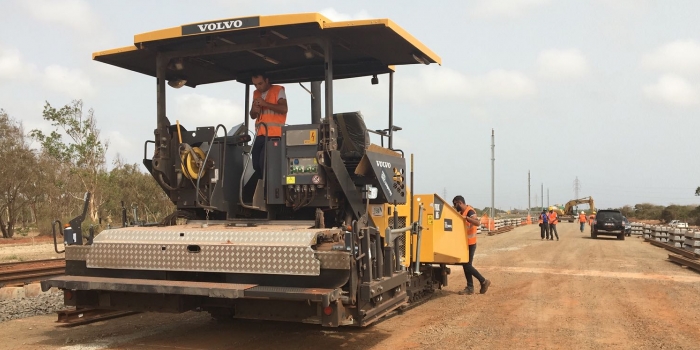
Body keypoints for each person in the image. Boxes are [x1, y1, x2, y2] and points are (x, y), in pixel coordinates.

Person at [243, 72, 288, 200]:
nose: (258, 87)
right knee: (256, 163)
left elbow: (284, 109)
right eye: (255, 84)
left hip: (274, 135)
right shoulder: (256, 94)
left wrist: (265, 104)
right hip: (260, 134)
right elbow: (252, 115)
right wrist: (254, 109)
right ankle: (260, 189)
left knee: (265, 162)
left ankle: (267, 192)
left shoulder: (278, 90)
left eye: (260, 83)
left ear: (267, 80)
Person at [453, 196, 491, 295]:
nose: (455, 206)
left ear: (460, 203)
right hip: (465, 243)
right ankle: (470, 287)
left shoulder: (470, 212)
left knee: (467, 265)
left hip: (471, 243)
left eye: (455, 204)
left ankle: (483, 281)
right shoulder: (462, 212)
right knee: (465, 265)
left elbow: (478, 223)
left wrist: (467, 218)